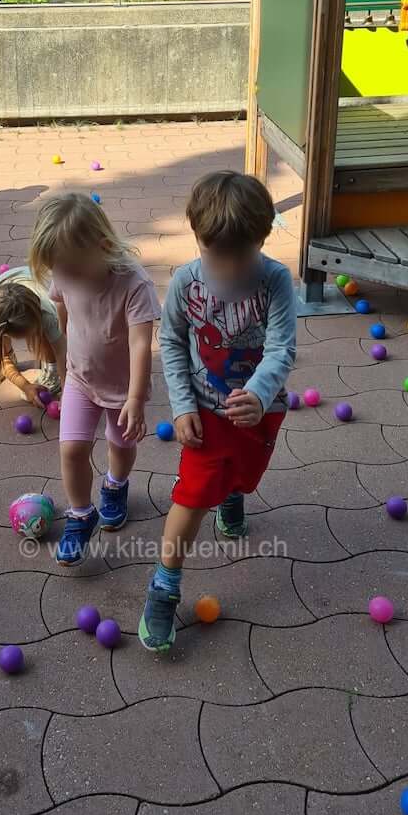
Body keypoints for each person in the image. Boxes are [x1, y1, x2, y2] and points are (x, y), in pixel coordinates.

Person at [139, 171, 296, 652]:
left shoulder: (275, 280)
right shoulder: (187, 283)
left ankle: (234, 493)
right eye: (216, 256)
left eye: (240, 257)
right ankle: (163, 586)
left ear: (262, 239)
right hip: (205, 417)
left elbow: (281, 349)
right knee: (192, 496)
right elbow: (169, 342)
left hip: (257, 413)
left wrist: (260, 393)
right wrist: (183, 404)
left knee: (246, 476)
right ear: (199, 240)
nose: (227, 270)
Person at [29, 193, 161, 564]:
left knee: (119, 445)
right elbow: (59, 302)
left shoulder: (134, 284)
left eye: (69, 269)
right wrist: (60, 345)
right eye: (58, 270)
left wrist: (136, 399)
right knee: (71, 450)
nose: (63, 277)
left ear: (102, 248)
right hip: (80, 380)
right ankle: (81, 514)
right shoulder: (64, 270)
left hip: (122, 389)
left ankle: (116, 485)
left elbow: (140, 344)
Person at [0, 266, 66, 404]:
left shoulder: (49, 314)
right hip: (7, 291)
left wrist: (66, 392)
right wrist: (25, 386)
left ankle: (51, 369)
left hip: (42, 286)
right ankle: (9, 354)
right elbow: (2, 358)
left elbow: (62, 353)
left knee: (51, 334)